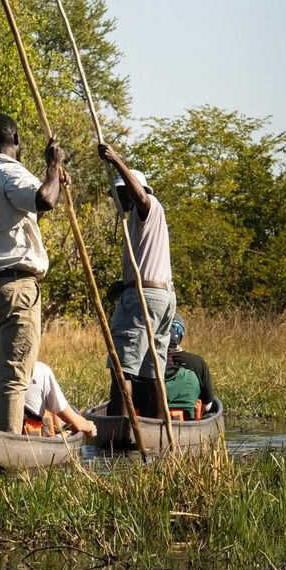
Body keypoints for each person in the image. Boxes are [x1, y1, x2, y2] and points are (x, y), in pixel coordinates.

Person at [0, 114, 68, 434]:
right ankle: (7, 450)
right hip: (16, 288)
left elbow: (25, 219)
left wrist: (54, 183)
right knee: (14, 380)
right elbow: (44, 200)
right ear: (16, 139)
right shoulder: (11, 173)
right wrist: (52, 166)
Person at [98, 142, 176, 418]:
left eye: (123, 192)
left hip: (145, 298)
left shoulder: (148, 207)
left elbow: (140, 197)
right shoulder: (136, 221)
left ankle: (123, 430)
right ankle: (157, 428)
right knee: (152, 370)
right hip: (161, 296)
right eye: (117, 194)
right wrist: (123, 284)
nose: (121, 198)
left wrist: (116, 159)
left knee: (121, 368)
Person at [167, 313, 215, 411]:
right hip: (189, 417)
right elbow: (207, 406)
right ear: (181, 335)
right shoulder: (198, 362)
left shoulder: (148, 362)